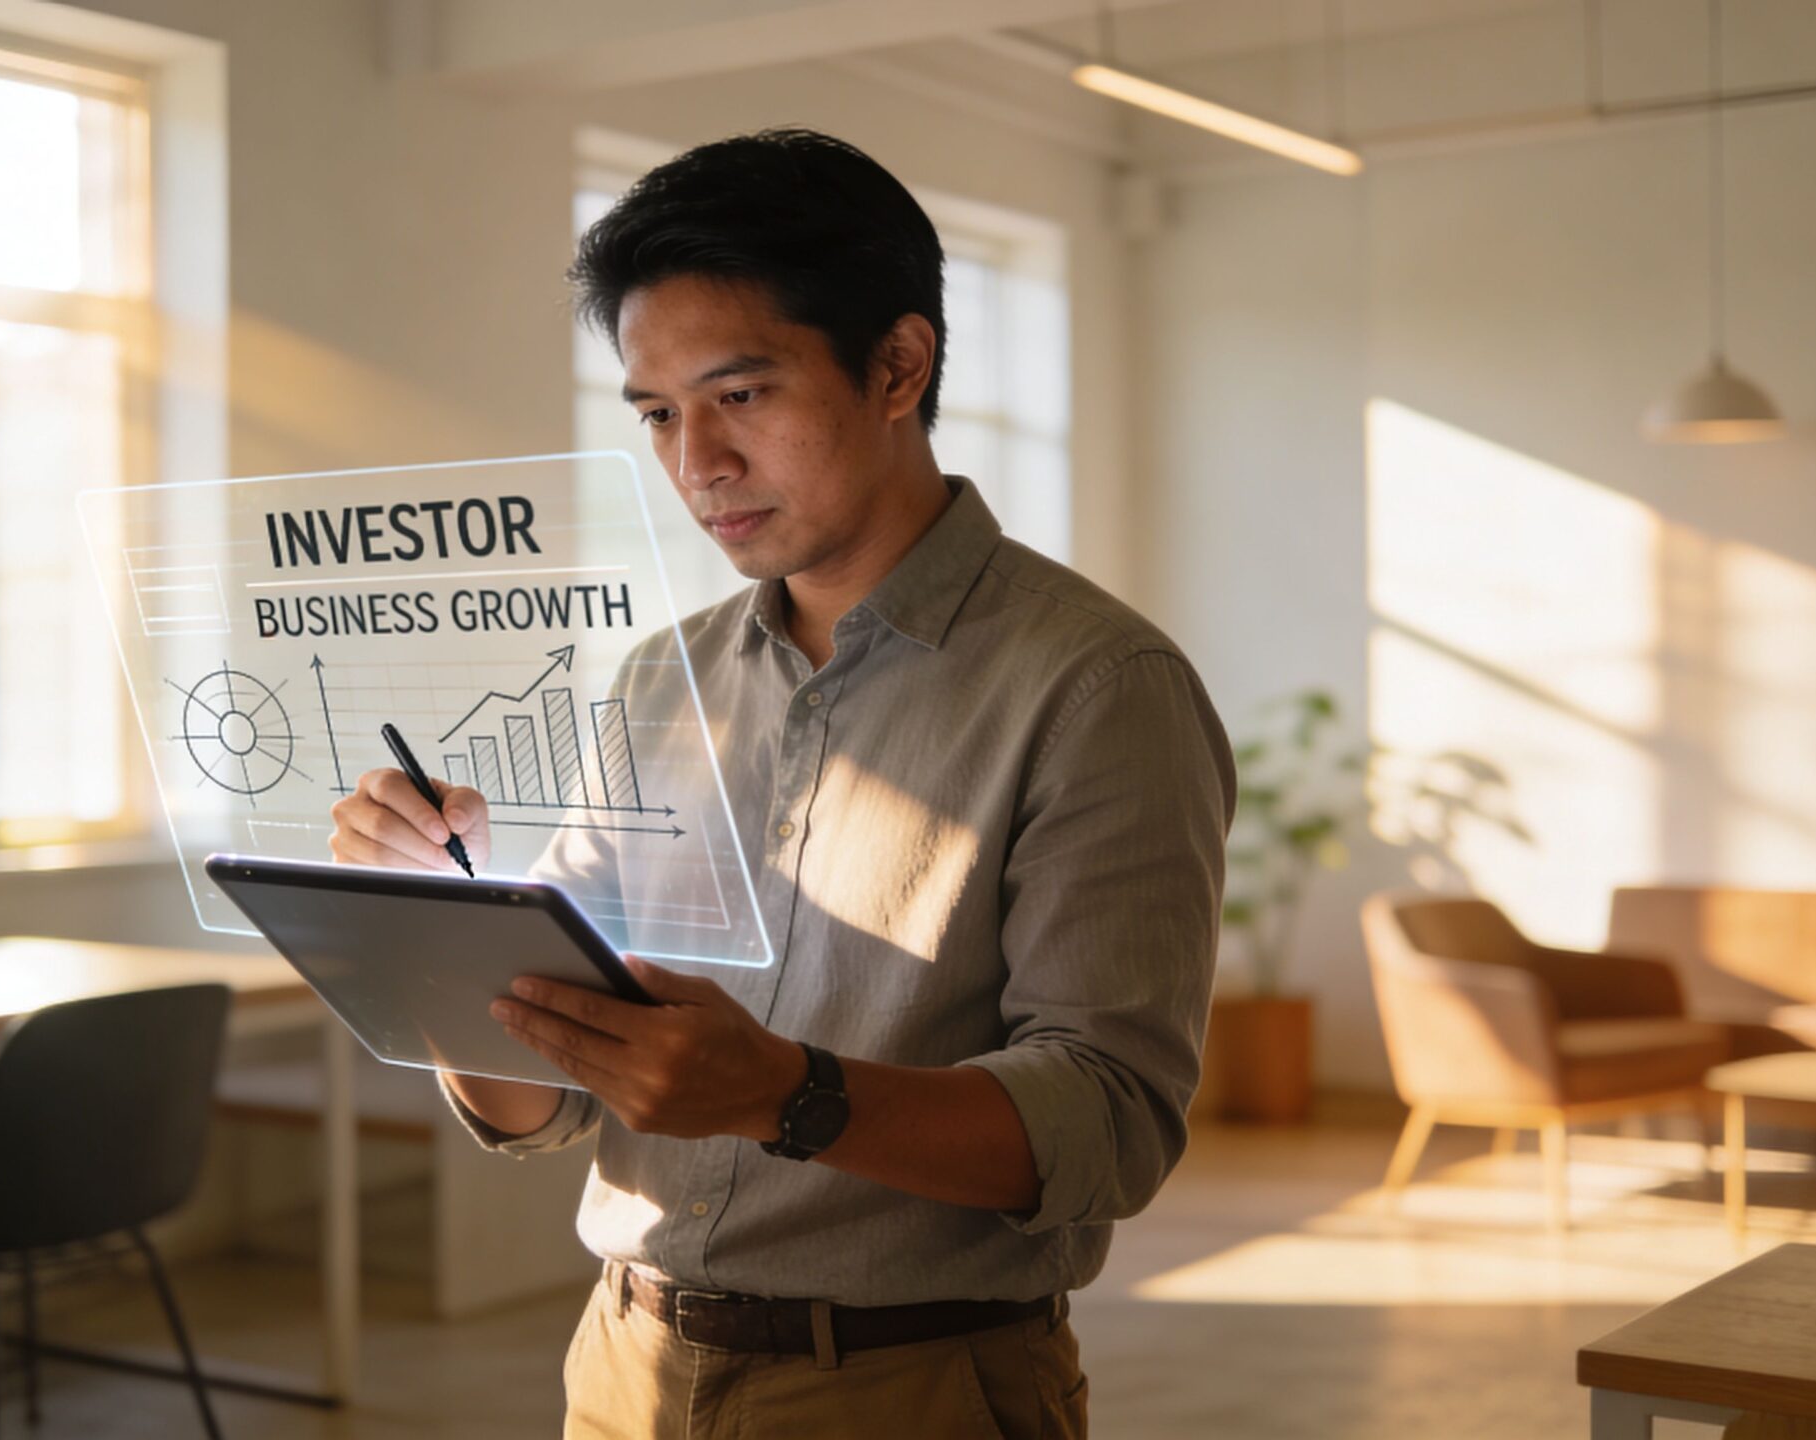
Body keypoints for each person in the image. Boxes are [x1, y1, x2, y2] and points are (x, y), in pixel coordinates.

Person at [329, 128, 1236, 1439]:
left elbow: (1107, 1127)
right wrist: (435, 937)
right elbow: (548, 1106)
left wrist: (780, 1093)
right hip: (622, 1365)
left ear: (896, 367)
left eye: (740, 394)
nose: (695, 460)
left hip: (907, 1387)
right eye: (656, 413)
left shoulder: (1096, 686)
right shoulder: (659, 681)